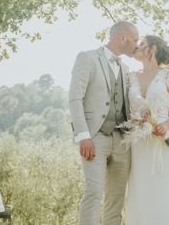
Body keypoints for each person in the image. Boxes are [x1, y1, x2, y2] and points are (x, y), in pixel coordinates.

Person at [69, 20, 139, 225]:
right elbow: (75, 98)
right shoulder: (87, 58)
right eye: (135, 39)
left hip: (122, 140)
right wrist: (83, 136)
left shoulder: (126, 68)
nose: (137, 44)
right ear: (123, 38)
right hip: (94, 138)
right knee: (94, 192)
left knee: (116, 199)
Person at [123, 35, 169, 225]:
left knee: (168, 191)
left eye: (141, 44)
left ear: (152, 49)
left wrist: (166, 125)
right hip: (139, 144)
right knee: (143, 193)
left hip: (165, 141)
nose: (137, 47)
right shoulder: (130, 77)